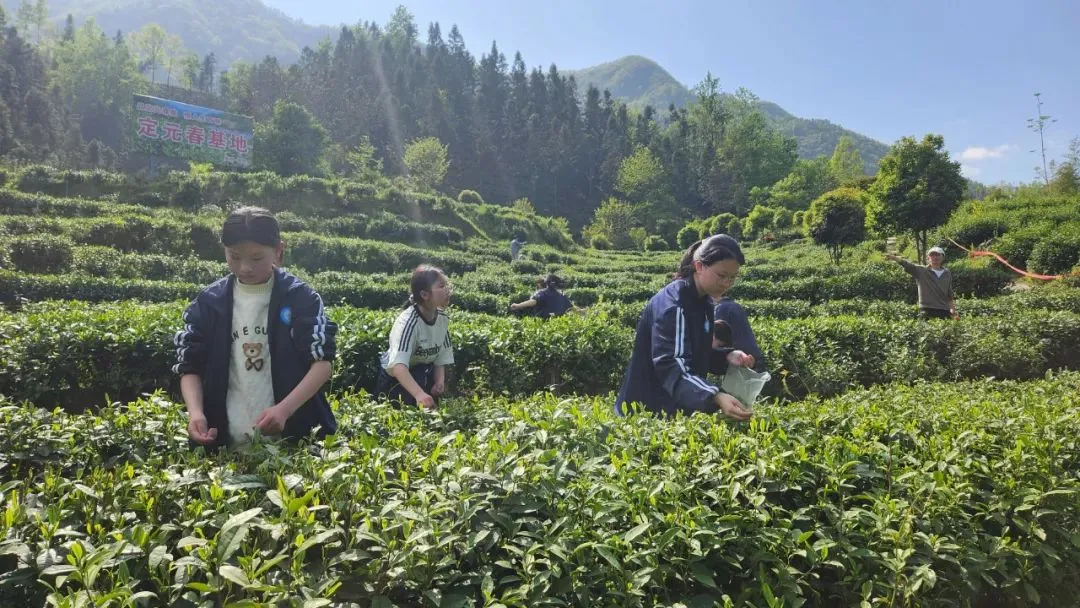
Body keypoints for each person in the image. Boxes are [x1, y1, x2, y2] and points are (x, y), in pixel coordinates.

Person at [173, 206, 337, 449]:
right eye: (234, 257)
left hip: (294, 438)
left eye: (257, 258)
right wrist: (196, 413)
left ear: (279, 251)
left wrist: (284, 410)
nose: (245, 267)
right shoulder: (210, 302)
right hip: (224, 441)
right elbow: (190, 366)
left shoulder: (300, 298)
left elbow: (322, 364)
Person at [615, 234, 755, 420]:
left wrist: (726, 356)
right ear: (699, 266)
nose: (727, 283)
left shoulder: (703, 301)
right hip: (645, 414)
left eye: (732, 277)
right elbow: (672, 365)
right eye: (721, 275)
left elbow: (694, 352)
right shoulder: (674, 306)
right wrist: (715, 396)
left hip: (671, 409)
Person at [375, 265, 455, 409]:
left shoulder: (442, 318)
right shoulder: (408, 322)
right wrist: (419, 394)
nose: (447, 290)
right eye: (442, 286)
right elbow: (398, 367)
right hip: (397, 381)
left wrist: (439, 381)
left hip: (422, 373)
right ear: (424, 295)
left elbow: (440, 357)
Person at [885, 246, 956, 320]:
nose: (935, 257)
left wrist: (952, 309)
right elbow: (907, 265)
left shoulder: (947, 273)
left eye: (938, 255)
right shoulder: (921, 270)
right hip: (927, 309)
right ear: (928, 258)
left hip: (944, 309)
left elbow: (949, 293)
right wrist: (895, 258)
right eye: (932, 255)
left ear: (943, 257)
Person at [713, 297, 766, 372]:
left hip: (741, 359)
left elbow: (717, 334)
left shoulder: (720, 308)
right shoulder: (736, 305)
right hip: (754, 356)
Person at [510, 273, 574, 319]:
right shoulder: (561, 295)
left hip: (543, 321)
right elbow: (571, 307)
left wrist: (518, 305)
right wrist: (581, 310)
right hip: (557, 322)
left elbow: (533, 302)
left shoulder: (543, 293)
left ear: (547, 283)